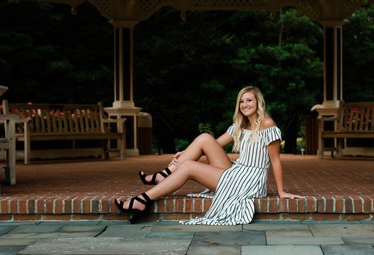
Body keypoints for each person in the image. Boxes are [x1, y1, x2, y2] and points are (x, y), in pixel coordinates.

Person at [115, 86, 304, 225]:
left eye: (249, 100)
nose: (244, 104)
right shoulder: (240, 125)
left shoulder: (267, 124)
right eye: (241, 101)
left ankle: (142, 201)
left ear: (258, 102)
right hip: (236, 171)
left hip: (249, 180)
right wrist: (186, 153)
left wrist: (281, 192)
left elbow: (275, 161)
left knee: (188, 167)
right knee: (204, 137)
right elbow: (213, 144)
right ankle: (164, 174)